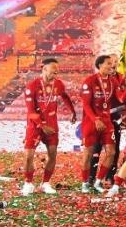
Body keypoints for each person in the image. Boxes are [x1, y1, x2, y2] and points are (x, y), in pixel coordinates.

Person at [21, 58, 76, 196]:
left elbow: (65, 97)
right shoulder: (32, 86)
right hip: (35, 126)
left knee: (52, 154)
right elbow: (30, 111)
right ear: (44, 69)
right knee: (28, 156)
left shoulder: (58, 84)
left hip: (52, 126)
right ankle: (28, 183)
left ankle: (45, 183)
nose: (55, 75)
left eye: (57, 72)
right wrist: (41, 125)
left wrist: (73, 111)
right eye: (53, 72)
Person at [80, 54, 121, 193]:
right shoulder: (90, 81)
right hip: (91, 122)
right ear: (100, 65)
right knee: (88, 154)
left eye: (112, 64)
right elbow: (85, 105)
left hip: (107, 122)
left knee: (111, 152)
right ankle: (85, 182)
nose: (111, 66)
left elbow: (120, 98)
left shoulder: (113, 81)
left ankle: (98, 181)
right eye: (108, 63)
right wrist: (95, 119)